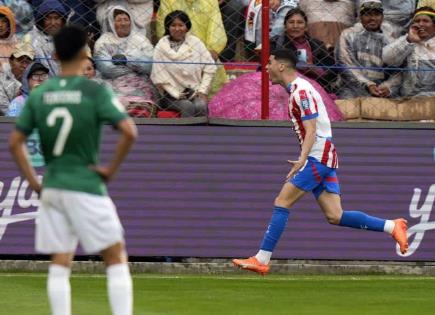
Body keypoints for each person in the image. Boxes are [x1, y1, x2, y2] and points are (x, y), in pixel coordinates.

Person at [232, 49, 408, 275]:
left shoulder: (301, 91)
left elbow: (312, 128)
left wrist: (302, 159)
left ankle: (262, 259)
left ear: (281, 65)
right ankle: (393, 226)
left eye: (269, 62)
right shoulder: (299, 90)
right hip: (324, 154)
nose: (266, 68)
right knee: (335, 216)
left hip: (318, 155)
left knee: (282, 202)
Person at [9, 25, 137, 315]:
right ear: (84, 53)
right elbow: (129, 132)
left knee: (60, 261)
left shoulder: (41, 93)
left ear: (54, 55)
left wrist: (34, 182)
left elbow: (15, 141)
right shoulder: (92, 91)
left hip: (53, 186)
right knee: (115, 255)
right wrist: (110, 170)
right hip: (86, 184)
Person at [151, 10, 217, 117]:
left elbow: (210, 67)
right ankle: (185, 133)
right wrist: (176, 94)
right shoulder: (161, 46)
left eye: (181, 25)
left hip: (193, 91)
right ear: (168, 27)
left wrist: (202, 91)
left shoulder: (196, 43)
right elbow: (158, 76)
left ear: (187, 27)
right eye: (173, 25)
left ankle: (203, 133)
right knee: (187, 106)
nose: (177, 29)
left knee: (201, 105)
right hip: (169, 95)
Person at [156, 0, 228, 95]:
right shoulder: (169, 1)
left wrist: (212, 49)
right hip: (176, 52)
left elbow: (216, 27)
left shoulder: (210, 1)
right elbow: (164, 27)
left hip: (204, 53)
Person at [335, 0, 401, 99]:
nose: (372, 18)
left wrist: (388, 87)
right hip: (350, 89)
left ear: (382, 17)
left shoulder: (390, 39)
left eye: (376, 14)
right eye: (367, 14)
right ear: (360, 17)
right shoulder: (348, 35)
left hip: (380, 91)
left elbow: (399, 70)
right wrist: (367, 84)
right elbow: (345, 64)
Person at [94, 5, 156, 109]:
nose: (123, 23)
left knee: (142, 104)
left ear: (131, 21)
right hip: (112, 81)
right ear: (112, 23)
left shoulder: (141, 40)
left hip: (139, 82)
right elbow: (106, 69)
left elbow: (149, 66)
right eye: (119, 20)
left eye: (126, 19)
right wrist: (136, 65)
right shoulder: (103, 41)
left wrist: (125, 60)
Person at [270, 8, 336, 93]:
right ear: (285, 26)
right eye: (291, 22)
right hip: (284, 87)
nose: (295, 26)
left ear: (306, 27)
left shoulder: (317, 45)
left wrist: (315, 70)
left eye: (300, 22)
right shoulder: (275, 44)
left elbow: (332, 72)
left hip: (315, 87)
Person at [383, 7, 435, 97]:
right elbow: (388, 59)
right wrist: (409, 40)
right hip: (409, 101)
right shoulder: (408, 42)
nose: (420, 24)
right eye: (417, 21)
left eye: (425, 21)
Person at [25, 0, 68, 75]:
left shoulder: (71, 38)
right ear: (41, 20)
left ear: (62, 20)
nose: (53, 23)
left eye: (57, 18)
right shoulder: (30, 38)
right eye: (47, 18)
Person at [0, 42, 34, 114]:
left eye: (28, 62)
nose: (24, 66)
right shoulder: (1, 81)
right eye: (20, 60)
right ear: (11, 61)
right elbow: (4, 109)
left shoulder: (39, 80)